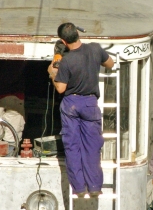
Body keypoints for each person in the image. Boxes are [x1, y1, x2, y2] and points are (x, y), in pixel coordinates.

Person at [47, 22, 114, 197]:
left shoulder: (66, 60)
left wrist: (52, 73)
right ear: (78, 33)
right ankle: (95, 187)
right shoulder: (95, 49)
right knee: (92, 146)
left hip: (71, 103)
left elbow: (60, 88)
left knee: (73, 147)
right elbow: (110, 63)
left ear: (63, 41)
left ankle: (79, 188)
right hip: (90, 103)